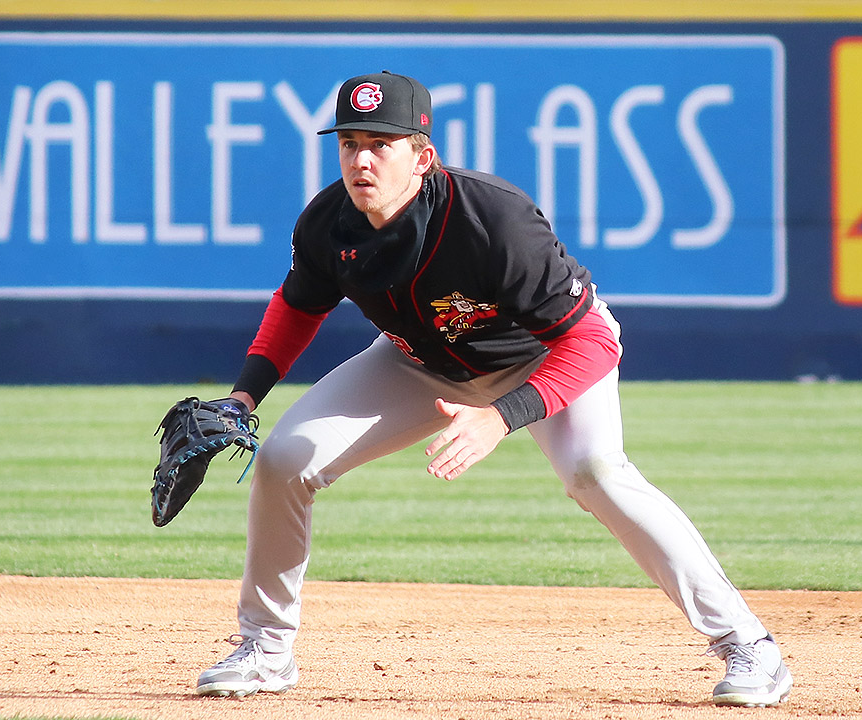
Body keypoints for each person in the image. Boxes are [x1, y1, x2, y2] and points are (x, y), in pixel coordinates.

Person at [194, 71, 792, 707]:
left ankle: (746, 644)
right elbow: (298, 306)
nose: (361, 158)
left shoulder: (491, 219)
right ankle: (266, 648)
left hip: (544, 360)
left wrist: (501, 416)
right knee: (285, 460)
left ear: (422, 157)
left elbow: (593, 341)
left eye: (381, 143)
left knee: (596, 472)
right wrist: (243, 397)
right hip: (419, 362)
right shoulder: (329, 223)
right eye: (349, 143)